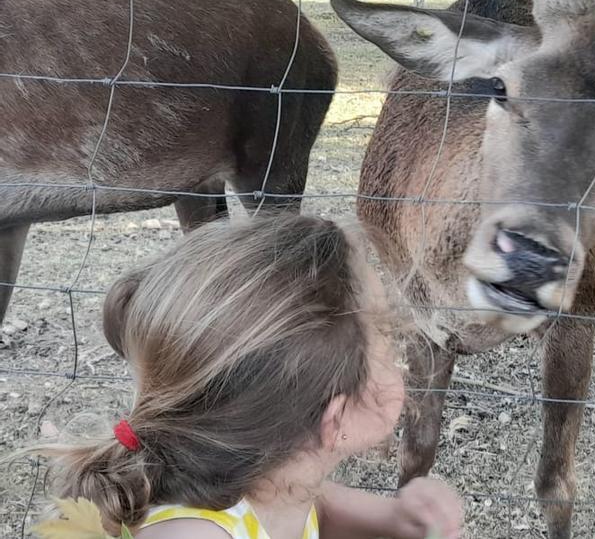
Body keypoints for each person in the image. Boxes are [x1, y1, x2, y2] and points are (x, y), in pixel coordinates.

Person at [31, 215, 463, 539]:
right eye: (387, 335)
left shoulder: (274, 478)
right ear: (336, 422)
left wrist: (392, 519)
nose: (402, 353)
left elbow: (316, 505)